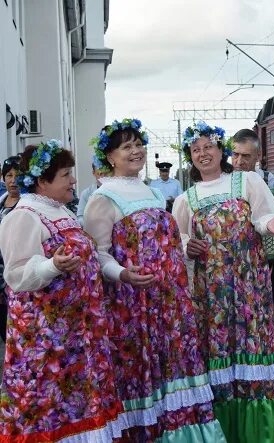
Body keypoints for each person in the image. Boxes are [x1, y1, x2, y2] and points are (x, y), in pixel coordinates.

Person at [84, 118, 225, 441]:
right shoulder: (102, 198)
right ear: (110, 157)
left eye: (138, 144)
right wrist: (123, 274)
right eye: (126, 147)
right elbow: (98, 254)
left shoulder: (151, 191)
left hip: (169, 300)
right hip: (134, 305)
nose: (135, 151)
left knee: (172, 369)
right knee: (143, 372)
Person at [173, 121, 274, 443]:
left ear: (221, 150)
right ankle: (225, 430)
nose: (203, 153)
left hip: (250, 286)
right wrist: (187, 244)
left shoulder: (246, 181)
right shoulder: (187, 199)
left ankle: (261, 433)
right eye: (195, 150)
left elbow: (264, 215)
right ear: (190, 157)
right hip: (212, 294)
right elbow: (178, 237)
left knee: (253, 348)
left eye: (208, 147)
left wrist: (273, 224)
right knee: (219, 351)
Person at [0, 141, 123, 441]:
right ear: (43, 181)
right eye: (66, 174)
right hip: (47, 339)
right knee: (49, 405)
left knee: (78, 402)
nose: (73, 181)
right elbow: (16, 274)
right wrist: (51, 266)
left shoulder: (61, 211)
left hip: (76, 333)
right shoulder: (24, 215)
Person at [232, 128, 274, 318]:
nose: (239, 162)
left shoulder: (269, 179)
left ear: (258, 155)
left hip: (267, 253)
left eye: (245, 156)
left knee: (270, 303)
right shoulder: (227, 179)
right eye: (235, 155)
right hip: (239, 257)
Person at [0, 155, 21, 343]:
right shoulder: (0, 203)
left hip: (15, 276)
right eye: (9, 175)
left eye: (18, 175)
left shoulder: (27, 206)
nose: (13, 180)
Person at [77, 158, 109, 226]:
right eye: (100, 174)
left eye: (106, 173)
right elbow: (80, 217)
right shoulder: (86, 193)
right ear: (93, 173)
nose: (103, 177)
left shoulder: (116, 190)